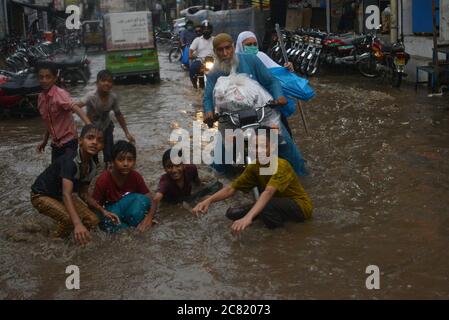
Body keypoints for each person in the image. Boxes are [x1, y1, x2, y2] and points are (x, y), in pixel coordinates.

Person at [203, 33, 307, 177]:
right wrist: (208, 112)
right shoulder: (214, 73)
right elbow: (208, 97)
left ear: (233, 47)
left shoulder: (251, 60)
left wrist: (279, 96)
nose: (225, 53)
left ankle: (302, 175)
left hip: (262, 114)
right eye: (220, 50)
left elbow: (271, 81)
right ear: (215, 52)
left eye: (228, 48)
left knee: (286, 146)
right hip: (232, 119)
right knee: (221, 160)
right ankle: (220, 181)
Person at [192, 127, 313, 235]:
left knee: (266, 207)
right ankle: (268, 217)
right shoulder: (254, 166)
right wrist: (208, 201)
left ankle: (279, 235)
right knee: (233, 213)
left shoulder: (281, 165)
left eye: (263, 146)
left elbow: (268, 192)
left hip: (300, 207)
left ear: (273, 146)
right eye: (254, 147)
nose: (258, 151)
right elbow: (231, 188)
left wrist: (248, 218)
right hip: (273, 203)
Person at [31, 124, 104, 245]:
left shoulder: (92, 167)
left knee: (93, 220)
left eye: (99, 140)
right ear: (80, 141)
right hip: (41, 195)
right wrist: (77, 223)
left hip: (60, 196)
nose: (95, 142)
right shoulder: (70, 161)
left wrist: (102, 210)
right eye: (90, 138)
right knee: (69, 220)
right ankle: (53, 244)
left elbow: (83, 193)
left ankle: (77, 241)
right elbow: (67, 195)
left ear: (102, 146)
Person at [235, 31, 295, 136]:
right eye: (248, 45)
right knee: (235, 142)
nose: (253, 47)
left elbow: (277, 73)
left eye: (255, 44)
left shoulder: (261, 56)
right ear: (240, 45)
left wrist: (287, 68)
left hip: (268, 105)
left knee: (285, 137)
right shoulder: (234, 61)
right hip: (246, 108)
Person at [88, 141, 155, 233]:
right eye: (121, 159)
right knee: (110, 223)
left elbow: (151, 200)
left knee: (142, 200)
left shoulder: (135, 176)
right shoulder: (104, 179)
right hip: (111, 212)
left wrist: (149, 218)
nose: (126, 164)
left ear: (135, 161)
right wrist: (104, 213)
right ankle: (127, 229)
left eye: (130, 160)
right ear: (112, 161)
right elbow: (94, 205)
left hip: (128, 211)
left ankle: (133, 227)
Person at [74, 70, 135, 167]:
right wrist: (87, 122)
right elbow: (76, 107)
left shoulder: (113, 98)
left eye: (109, 81)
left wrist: (126, 132)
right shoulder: (91, 96)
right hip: (92, 130)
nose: (106, 83)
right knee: (92, 155)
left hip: (106, 128)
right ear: (97, 83)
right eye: (103, 81)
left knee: (109, 154)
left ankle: (108, 169)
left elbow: (118, 115)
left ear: (112, 84)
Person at [36, 62, 91, 163]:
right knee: (55, 174)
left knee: (67, 174)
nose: (44, 80)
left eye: (48, 77)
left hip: (69, 142)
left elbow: (75, 107)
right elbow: (49, 122)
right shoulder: (41, 98)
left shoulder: (60, 94)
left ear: (54, 78)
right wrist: (44, 141)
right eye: (41, 77)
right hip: (56, 144)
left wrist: (89, 125)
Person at [151, 149, 223, 208]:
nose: (174, 170)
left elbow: (197, 183)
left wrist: (203, 193)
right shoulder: (165, 181)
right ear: (164, 169)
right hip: (173, 202)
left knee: (218, 185)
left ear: (184, 165)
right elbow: (156, 199)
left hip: (188, 198)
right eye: (169, 167)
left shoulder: (191, 169)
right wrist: (149, 218)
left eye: (177, 165)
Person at [189, 20, 214, 89]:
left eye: (208, 28)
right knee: (192, 69)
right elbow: (191, 50)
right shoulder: (197, 40)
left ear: (211, 29)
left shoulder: (215, 40)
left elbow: (219, 49)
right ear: (202, 30)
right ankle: (194, 85)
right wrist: (190, 55)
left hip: (213, 61)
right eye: (205, 29)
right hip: (200, 61)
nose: (206, 30)